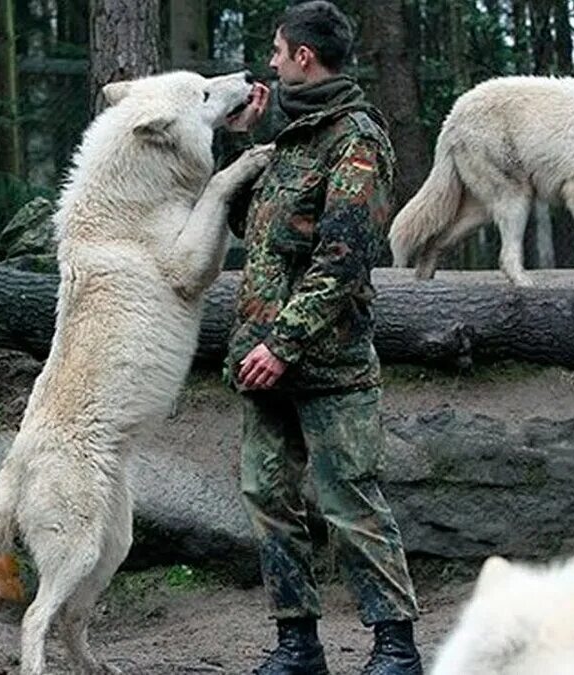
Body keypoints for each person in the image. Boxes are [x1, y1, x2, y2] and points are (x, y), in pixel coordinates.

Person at [223, 2, 423, 674]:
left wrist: (284, 342)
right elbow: (246, 232)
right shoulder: (287, 139)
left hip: (326, 360)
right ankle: (297, 644)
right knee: (267, 497)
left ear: (304, 57)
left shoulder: (355, 138)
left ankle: (395, 645)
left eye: (278, 52)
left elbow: (344, 256)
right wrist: (244, 142)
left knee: (350, 500)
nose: (271, 63)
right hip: (263, 360)